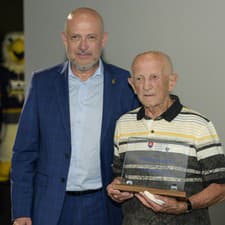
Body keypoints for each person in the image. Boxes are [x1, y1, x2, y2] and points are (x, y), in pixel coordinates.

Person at [11, 7, 139, 225]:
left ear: (103, 40)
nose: (83, 46)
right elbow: (24, 154)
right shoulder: (42, 83)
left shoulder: (124, 83)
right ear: (64, 40)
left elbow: (137, 147)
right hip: (51, 208)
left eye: (91, 37)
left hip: (105, 206)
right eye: (75, 37)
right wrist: (21, 211)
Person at [107, 51, 225, 225]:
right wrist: (116, 189)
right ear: (132, 85)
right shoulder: (123, 124)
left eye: (154, 77)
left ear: (171, 82)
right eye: (139, 79)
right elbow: (120, 177)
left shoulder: (199, 125)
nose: (146, 86)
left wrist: (185, 206)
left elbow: (221, 188)